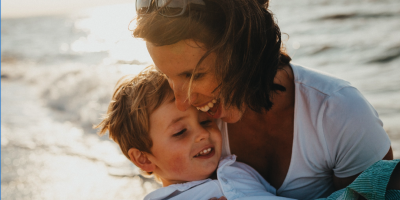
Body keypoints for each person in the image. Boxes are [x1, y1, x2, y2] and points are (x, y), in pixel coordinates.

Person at [132, 0, 394, 199]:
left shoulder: (339, 114)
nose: (181, 101)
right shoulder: (193, 129)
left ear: (244, 52)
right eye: (167, 76)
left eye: (194, 75)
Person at [94, 66, 295, 200]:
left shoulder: (239, 168)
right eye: (180, 132)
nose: (202, 134)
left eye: (206, 121)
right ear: (143, 158)